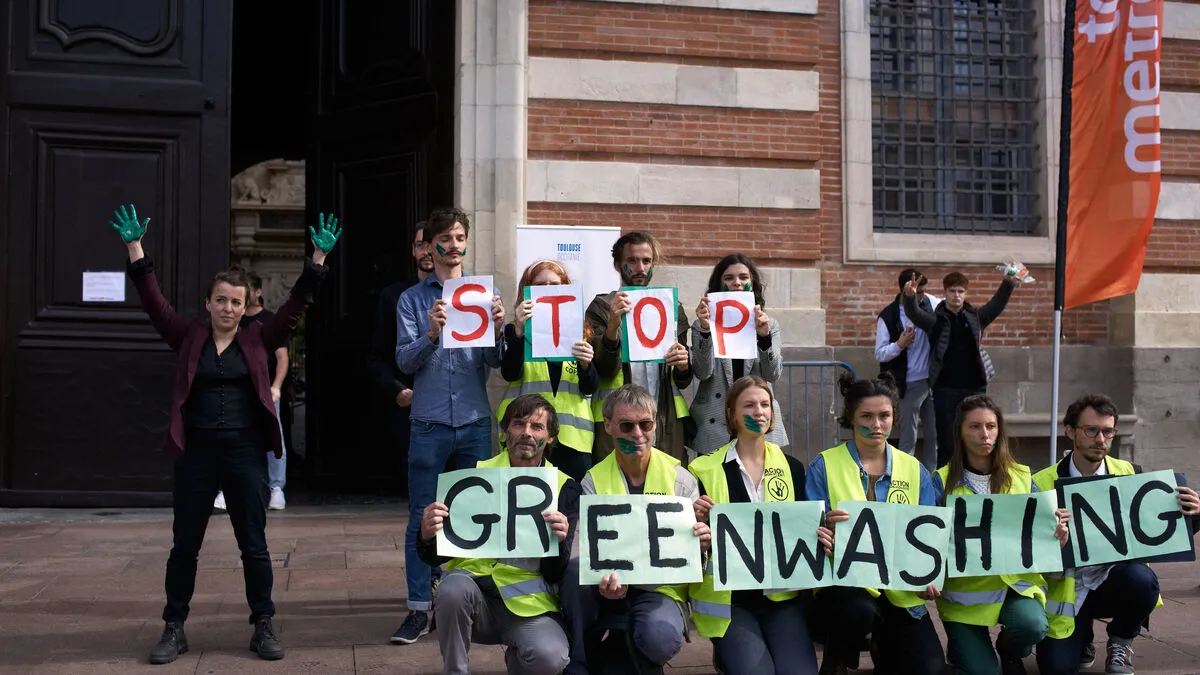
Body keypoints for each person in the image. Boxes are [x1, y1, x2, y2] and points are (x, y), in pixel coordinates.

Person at [112, 204, 340, 664]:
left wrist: (317, 259)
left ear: (246, 304)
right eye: (221, 300)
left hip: (244, 453)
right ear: (209, 303)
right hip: (196, 453)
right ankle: (173, 627)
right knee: (185, 545)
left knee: (253, 544)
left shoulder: (259, 337)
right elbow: (155, 305)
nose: (228, 308)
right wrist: (136, 248)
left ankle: (263, 624)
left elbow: (296, 307)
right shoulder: (188, 336)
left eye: (236, 301)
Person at [392, 207, 505, 645]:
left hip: (476, 420)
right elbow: (404, 360)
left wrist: (498, 329)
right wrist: (431, 335)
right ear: (430, 245)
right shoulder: (412, 300)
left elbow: (497, 365)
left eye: (460, 237)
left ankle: (465, 603)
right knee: (422, 517)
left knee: (473, 516)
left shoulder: (481, 293)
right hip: (429, 423)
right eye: (445, 238)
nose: (453, 246)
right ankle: (419, 609)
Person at [1034, 393, 1200, 675]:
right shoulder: (1039, 482)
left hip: (1114, 581)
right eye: (1092, 430)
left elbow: (1159, 537)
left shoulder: (1130, 473)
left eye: (1108, 431)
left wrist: (1192, 515)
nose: (1101, 439)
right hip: (1066, 590)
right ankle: (1083, 638)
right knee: (1056, 668)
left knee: (1142, 580)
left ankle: (1121, 640)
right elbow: (1027, 548)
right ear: (1070, 432)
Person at [417, 394, 578, 675]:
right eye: (518, 424)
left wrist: (559, 542)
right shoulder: (474, 476)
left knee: (551, 658)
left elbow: (557, 573)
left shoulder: (564, 488)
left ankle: (520, 660)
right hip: (473, 597)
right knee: (451, 588)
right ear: (504, 432)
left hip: (530, 607)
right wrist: (427, 535)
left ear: (551, 438)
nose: (527, 433)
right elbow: (437, 554)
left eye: (537, 427)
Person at [561, 384, 712, 675]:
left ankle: (627, 647)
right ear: (608, 426)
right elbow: (587, 551)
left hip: (662, 589)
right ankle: (582, 659)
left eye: (646, 424)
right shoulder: (592, 480)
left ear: (656, 424)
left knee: (658, 639)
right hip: (608, 583)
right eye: (627, 425)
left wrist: (703, 544)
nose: (638, 434)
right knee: (573, 571)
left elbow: (694, 558)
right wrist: (605, 577)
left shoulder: (681, 479)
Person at [804, 373, 945, 675]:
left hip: (901, 591)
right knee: (858, 611)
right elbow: (808, 536)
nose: (876, 424)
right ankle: (839, 653)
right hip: (845, 587)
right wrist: (824, 532)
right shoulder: (823, 465)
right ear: (851, 418)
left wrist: (928, 575)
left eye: (884, 415)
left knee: (931, 669)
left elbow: (928, 535)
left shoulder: (915, 470)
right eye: (866, 416)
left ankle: (884, 645)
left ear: (895, 417)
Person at [689, 376, 827, 675]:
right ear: (732, 415)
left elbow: (803, 532)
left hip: (780, 596)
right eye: (749, 405)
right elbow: (691, 544)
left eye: (765, 405)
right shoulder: (701, 469)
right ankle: (726, 652)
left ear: (773, 415)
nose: (759, 412)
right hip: (729, 600)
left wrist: (824, 533)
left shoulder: (793, 468)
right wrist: (696, 523)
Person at [932, 395, 1071, 675]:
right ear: (960, 431)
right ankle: (963, 645)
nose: (984, 434)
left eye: (991, 426)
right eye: (974, 427)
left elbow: (1042, 530)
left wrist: (1059, 530)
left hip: (1016, 585)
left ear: (1000, 431)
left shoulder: (1021, 476)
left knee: (1032, 625)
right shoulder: (940, 481)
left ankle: (1010, 651)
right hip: (965, 599)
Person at [586, 231, 693, 464]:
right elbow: (603, 369)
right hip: (620, 418)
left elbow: (683, 380)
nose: (640, 268)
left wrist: (684, 365)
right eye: (632, 261)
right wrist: (613, 326)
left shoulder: (671, 306)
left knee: (666, 485)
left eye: (646, 261)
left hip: (664, 418)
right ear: (618, 265)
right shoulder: (601, 307)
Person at [903, 270, 1020, 467]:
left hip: (975, 387)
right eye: (952, 291)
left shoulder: (975, 317)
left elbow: (996, 305)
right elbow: (914, 313)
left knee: (976, 439)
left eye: (960, 291)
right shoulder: (935, 319)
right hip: (945, 389)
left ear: (965, 293)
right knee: (947, 442)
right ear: (945, 293)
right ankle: (945, 488)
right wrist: (909, 296)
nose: (956, 295)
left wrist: (1008, 283)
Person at [499, 260, 599, 482]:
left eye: (554, 284)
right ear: (528, 289)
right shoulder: (515, 330)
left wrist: (586, 365)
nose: (547, 290)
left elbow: (590, 386)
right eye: (540, 285)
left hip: (573, 440)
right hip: (529, 436)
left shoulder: (579, 331)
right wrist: (518, 332)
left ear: (565, 288)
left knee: (571, 505)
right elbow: (509, 373)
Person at [690, 255, 787, 456]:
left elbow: (772, 375)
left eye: (743, 277)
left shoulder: (769, 324)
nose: (737, 283)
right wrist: (706, 331)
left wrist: (764, 337)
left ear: (752, 284)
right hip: (716, 422)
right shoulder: (702, 324)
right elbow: (702, 372)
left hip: (757, 420)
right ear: (719, 283)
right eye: (729, 278)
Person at [212, 269, 290, 512]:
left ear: (256, 293)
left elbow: (282, 356)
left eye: (238, 298)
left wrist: (276, 386)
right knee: (229, 437)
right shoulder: (231, 320)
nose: (231, 305)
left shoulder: (268, 320)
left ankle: (276, 488)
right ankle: (225, 489)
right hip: (238, 389)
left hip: (265, 389)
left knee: (274, 438)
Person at [367, 221, 434, 497]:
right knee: (418, 490)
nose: (427, 251)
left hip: (454, 407)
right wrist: (397, 391)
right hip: (410, 407)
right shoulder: (394, 297)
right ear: (413, 251)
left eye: (432, 244)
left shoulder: (465, 296)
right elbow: (376, 357)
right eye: (421, 245)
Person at [876, 268, 939, 468]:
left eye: (923, 292)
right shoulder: (889, 315)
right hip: (907, 383)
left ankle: (932, 478)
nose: (921, 297)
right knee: (908, 436)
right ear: (904, 290)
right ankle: (905, 476)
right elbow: (880, 353)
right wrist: (899, 345)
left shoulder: (932, 304)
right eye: (916, 292)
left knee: (935, 435)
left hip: (933, 380)